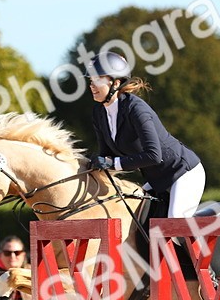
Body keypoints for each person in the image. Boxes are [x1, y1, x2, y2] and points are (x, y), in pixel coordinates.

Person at [84, 51, 206, 218]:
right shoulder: (99, 112)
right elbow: (106, 155)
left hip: (183, 172)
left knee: (175, 223)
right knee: (136, 222)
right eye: (91, 80)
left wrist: (112, 163)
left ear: (116, 82)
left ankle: (213, 242)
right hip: (157, 180)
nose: (92, 85)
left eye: (97, 80)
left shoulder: (136, 109)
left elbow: (154, 155)